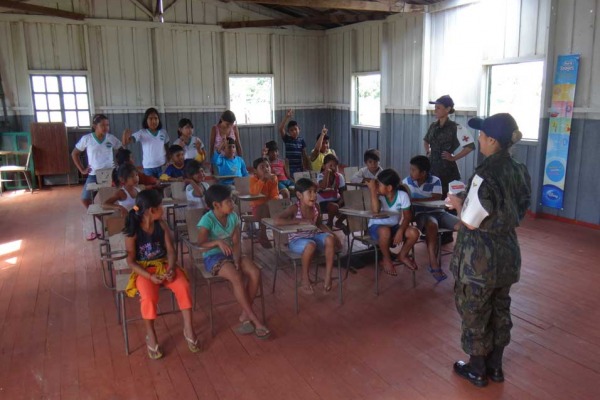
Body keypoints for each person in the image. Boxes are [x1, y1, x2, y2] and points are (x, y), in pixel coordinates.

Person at [446, 113, 531, 387]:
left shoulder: (485, 173)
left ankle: (477, 369)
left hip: (479, 260)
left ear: (492, 140)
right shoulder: (519, 168)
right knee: (500, 308)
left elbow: (470, 221)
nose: (479, 139)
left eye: (482, 135)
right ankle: (496, 368)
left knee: (474, 310)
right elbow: (518, 209)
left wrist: (458, 205)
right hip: (507, 254)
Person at [123, 189, 199, 359]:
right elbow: (131, 261)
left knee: (183, 285)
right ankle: (150, 333)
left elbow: (171, 251)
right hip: (143, 270)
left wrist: (171, 268)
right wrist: (149, 277)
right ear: (151, 210)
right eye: (161, 206)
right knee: (148, 297)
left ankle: (188, 328)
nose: (163, 209)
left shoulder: (161, 225)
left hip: (163, 265)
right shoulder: (134, 231)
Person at [197, 184, 271, 339]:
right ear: (216, 205)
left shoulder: (233, 216)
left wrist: (237, 259)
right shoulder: (207, 219)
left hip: (231, 253)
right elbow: (201, 243)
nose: (233, 204)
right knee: (236, 277)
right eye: (229, 202)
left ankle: (245, 314)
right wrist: (217, 243)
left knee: (255, 272)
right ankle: (255, 320)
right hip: (213, 256)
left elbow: (236, 242)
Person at [274, 178, 342, 294]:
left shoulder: (316, 207)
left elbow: (319, 224)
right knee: (311, 245)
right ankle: (305, 278)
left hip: (313, 237)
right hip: (297, 241)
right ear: (299, 195)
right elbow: (277, 220)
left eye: (315, 192)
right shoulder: (295, 208)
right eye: (309, 192)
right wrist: (298, 221)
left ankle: (328, 276)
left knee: (329, 239)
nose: (314, 195)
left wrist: (332, 234)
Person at [402, 155, 460, 282]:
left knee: (462, 226)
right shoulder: (406, 182)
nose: (410, 172)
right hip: (422, 215)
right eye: (410, 169)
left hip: (439, 212)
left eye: (413, 170)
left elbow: (437, 197)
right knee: (432, 224)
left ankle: (462, 260)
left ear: (423, 173)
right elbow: (405, 200)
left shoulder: (435, 180)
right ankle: (433, 263)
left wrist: (415, 199)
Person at [366, 168, 419, 275]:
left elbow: (408, 217)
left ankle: (402, 255)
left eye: (379, 185)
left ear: (389, 188)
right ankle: (387, 258)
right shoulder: (378, 196)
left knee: (414, 232)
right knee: (385, 231)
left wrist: (400, 231)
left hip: (394, 227)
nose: (377, 186)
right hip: (376, 228)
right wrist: (372, 191)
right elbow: (375, 211)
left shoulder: (402, 196)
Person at [423, 95, 475, 196]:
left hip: (447, 171)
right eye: (435, 108)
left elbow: (470, 146)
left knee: (447, 199)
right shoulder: (433, 126)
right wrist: (428, 151)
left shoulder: (456, 128)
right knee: (431, 197)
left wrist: (453, 158)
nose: (435, 110)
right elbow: (426, 141)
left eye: (438, 108)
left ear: (448, 109)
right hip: (432, 168)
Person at [72, 114, 122, 209]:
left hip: (110, 174)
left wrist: (119, 164)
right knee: (85, 199)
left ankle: (111, 221)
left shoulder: (110, 138)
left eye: (107, 125)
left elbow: (121, 149)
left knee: (112, 199)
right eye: (102, 125)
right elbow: (74, 154)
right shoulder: (87, 139)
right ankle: (102, 220)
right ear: (95, 126)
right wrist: (82, 170)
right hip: (94, 174)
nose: (106, 128)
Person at [122, 108, 170, 179]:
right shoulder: (142, 133)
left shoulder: (163, 132)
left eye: (156, 118)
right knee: (151, 187)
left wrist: (168, 161)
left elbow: (167, 147)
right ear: (146, 120)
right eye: (150, 119)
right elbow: (127, 142)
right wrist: (125, 134)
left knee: (163, 186)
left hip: (162, 166)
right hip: (148, 168)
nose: (154, 121)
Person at [249, 157, 279, 248]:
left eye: (267, 166)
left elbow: (275, 194)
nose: (266, 169)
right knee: (265, 206)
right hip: (257, 210)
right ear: (255, 171)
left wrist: (275, 203)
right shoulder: (252, 179)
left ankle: (282, 240)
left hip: (270, 207)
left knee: (282, 202)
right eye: (262, 167)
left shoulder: (273, 178)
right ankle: (263, 233)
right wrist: (262, 180)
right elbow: (255, 193)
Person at [317, 154, 347, 232]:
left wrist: (340, 203)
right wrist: (327, 173)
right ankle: (329, 223)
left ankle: (339, 222)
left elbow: (343, 193)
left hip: (336, 201)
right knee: (333, 206)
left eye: (335, 166)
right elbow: (323, 186)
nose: (333, 168)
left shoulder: (339, 176)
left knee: (352, 205)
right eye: (330, 165)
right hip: (323, 203)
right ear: (324, 166)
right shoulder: (320, 176)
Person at [278, 109, 310, 176]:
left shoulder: (301, 140)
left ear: (299, 129)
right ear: (288, 132)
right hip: (289, 168)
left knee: (300, 182)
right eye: (291, 130)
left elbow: (304, 154)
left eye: (295, 129)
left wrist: (306, 166)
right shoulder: (287, 139)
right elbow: (281, 129)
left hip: (299, 167)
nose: (294, 131)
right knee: (292, 183)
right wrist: (287, 117)